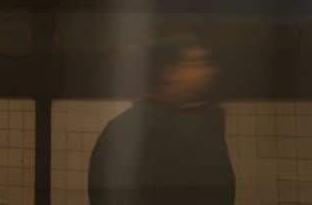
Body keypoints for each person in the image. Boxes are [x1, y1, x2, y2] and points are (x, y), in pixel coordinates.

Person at [88, 31, 235, 205]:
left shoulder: (115, 128)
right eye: (195, 63)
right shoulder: (194, 132)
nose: (209, 71)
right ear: (170, 73)